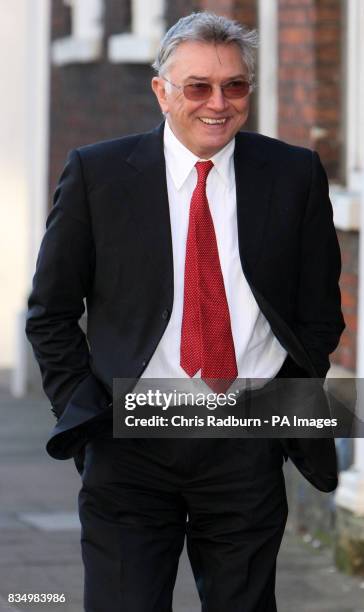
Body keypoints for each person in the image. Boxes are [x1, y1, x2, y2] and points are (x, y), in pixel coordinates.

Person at [26, 11, 345, 612]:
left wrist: (278, 412)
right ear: (161, 91)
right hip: (131, 444)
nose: (217, 103)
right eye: (197, 86)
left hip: (245, 435)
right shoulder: (99, 175)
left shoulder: (293, 174)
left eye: (235, 86)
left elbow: (318, 313)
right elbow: (50, 312)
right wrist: (87, 415)